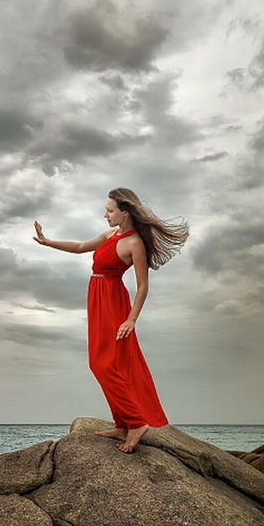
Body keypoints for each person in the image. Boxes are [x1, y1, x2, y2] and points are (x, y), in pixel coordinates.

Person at [33, 188, 188, 453]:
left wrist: (131, 319)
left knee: (104, 364)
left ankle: (137, 423)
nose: (105, 215)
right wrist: (48, 242)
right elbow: (81, 247)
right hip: (97, 299)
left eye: (110, 210)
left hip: (114, 302)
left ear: (124, 213)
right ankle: (122, 422)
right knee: (100, 362)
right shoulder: (110, 235)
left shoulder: (134, 243)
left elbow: (142, 286)